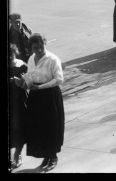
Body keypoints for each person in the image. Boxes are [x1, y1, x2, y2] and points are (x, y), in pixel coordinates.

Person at [12, 33, 65, 172]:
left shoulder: (53, 59)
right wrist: (23, 83)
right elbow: (30, 77)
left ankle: (53, 157)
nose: (39, 50)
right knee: (39, 127)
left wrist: (39, 87)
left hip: (50, 95)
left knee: (51, 126)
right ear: (31, 48)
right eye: (35, 48)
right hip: (35, 97)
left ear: (44, 44)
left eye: (41, 47)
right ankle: (46, 156)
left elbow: (59, 79)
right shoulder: (30, 59)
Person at [9, 44, 28, 170]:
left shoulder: (22, 65)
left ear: (15, 53)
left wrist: (19, 81)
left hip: (19, 103)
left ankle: (17, 154)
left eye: (10, 54)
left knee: (20, 129)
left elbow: (27, 84)